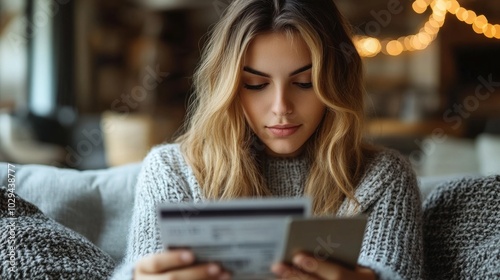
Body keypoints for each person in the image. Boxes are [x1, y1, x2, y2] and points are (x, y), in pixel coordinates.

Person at [111, 0, 424, 279]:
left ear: (336, 83)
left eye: (304, 83)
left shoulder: (384, 176)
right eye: (256, 84)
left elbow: (394, 270)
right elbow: (145, 264)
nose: (281, 108)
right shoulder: (173, 170)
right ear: (229, 88)